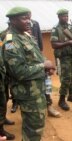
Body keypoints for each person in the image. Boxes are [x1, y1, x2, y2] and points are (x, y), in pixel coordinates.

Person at [3, 6, 55, 140]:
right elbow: (18, 71)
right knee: (33, 130)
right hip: (28, 93)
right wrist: (43, 66)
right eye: (24, 18)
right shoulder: (11, 41)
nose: (28, 22)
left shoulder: (25, 35)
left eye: (29, 18)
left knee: (36, 126)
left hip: (37, 89)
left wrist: (45, 63)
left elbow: (36, 55)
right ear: (13, 20)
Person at [27, 11, 60, 118]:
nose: (29, 28)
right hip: (26, 69)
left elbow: (38, 51)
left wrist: (48, 65)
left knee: (46, 80)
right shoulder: (11, 38)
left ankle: (49, 105)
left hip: (37, 64)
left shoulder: (31, 37)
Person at [50, 8, 72, 111]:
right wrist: (67, 43)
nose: (66, 18)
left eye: (67, 16)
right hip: (64, 57)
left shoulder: (71, 27)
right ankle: (61, 100)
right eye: (63, 16)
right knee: (66, 78)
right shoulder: (56, 29)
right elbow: (54, 45)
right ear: (59, 17)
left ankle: (71, 95)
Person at [0, 39, 15, 140]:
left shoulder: (6, 37)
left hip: (3, 74)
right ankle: (1, 130)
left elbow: (10, 50)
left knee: (4, 99)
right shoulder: (6, 34)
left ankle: (3, 119)